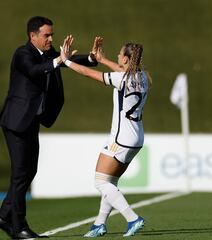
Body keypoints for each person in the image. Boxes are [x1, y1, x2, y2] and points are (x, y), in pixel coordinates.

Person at [0, 17, 98, 239]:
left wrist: (91, 57)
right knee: (21, 174)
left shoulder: (48, 55)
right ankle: (19, 226)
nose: (51, 39)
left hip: (30, 121)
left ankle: (3, 216)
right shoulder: (22, 54)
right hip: (16, 122)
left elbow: (68, 59)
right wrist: (60, 59)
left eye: (52, 35)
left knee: (30, 171)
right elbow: (36, 70)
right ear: (33, 36)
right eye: (46, 35)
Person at [60, 35, 152, 237]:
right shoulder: (143, 76)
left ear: (126, 59)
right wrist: (102, 59)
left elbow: (88, 73)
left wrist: (66, 61)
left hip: (121, 139)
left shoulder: (122, 78)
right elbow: (121, 71)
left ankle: (133, 218)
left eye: (120, 54)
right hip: (137, 138)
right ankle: (99, 224)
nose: (118, 56)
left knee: (101, 182)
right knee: (110, 182)